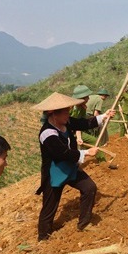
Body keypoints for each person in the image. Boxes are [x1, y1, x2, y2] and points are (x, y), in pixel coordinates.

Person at [33, 92, 115, 240]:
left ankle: (83, 223)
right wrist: (86, 153)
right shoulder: (47, 133)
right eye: (65, 112)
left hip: (71, 167)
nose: (68, 115)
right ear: (53, 114)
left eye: (68, 111)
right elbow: (62, 154)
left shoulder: (67, 122)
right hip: (55, 172)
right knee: (50, 206)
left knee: (89, 188)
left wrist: (104, 116)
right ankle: (43, 237)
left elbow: (84, 123)